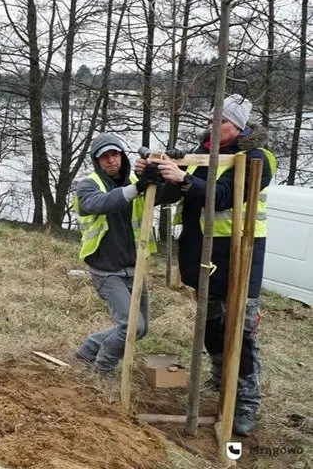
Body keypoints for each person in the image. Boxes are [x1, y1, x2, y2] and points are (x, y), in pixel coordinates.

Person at [136, 94, 275, 436]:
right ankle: (218, 377)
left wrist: (183, 178)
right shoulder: (202, 154)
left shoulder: (256, 157)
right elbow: (173, 196)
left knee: (240, 331)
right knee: (212, 323)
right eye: (211, 120)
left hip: (241, 256)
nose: (213, 126)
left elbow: (225, 196)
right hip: (204, 257)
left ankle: (245, 400)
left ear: (239, 126)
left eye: (221, 122)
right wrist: (155, 175)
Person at [73, 133, 163, 374]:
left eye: (115, 154)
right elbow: (99, 203)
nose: (111, 160)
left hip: (135, 268)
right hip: (106, 270)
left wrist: (165, 173)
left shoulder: (138, 180)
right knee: (129, 326)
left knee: (141, 329)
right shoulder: (87, 185)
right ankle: (102, 370)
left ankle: (89, 348)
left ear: (122, 156)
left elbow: (165, 195)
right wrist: (136, 188)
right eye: (104, 157)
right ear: (97, 161)